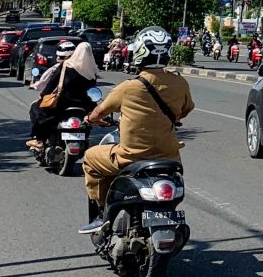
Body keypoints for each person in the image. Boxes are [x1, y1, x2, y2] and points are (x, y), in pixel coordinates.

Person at [79, 27, 194, 234]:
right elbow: (185, 110)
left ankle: (101, 214)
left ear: (139, 52)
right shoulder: (180, 82)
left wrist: (89, 119)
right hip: (170, 157)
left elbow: (99, 112)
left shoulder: (129, 87)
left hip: (131, 157)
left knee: (90, 158)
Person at [26, 41, 98, 149]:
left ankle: (39, 140)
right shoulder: (92, 72)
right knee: (90, 119)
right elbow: (92, 90)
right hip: (84, 104)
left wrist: (43, 95)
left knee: (35, 108)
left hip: (63, 102)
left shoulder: (66, 66)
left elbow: (52, 83)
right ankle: (85, 140)